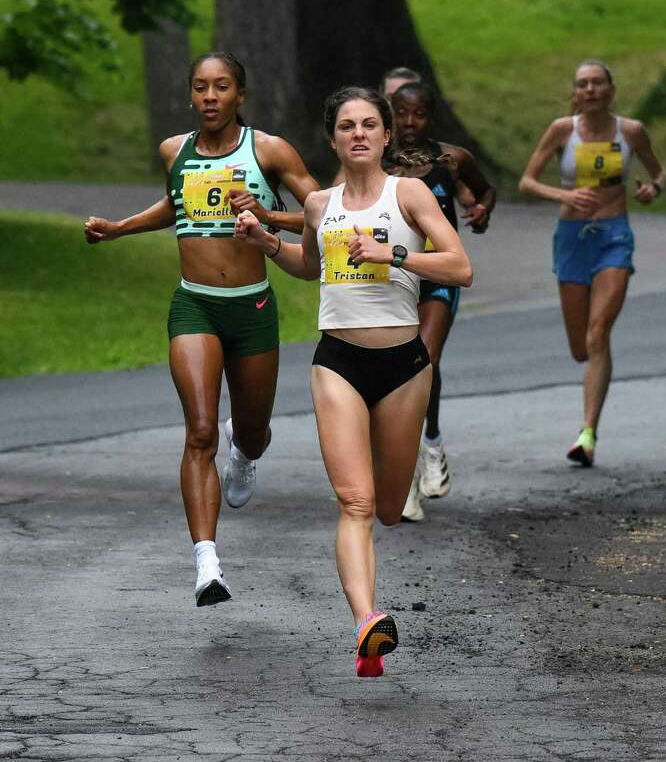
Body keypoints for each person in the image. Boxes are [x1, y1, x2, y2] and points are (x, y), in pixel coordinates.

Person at [234, 86, 471, 676]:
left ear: (387, 136)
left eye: (370, 124)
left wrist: (391, 256)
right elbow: (311, 266)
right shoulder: (321, 205)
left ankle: (370, 610)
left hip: (404, 365)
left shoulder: (408, 193)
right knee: (355, 501)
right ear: (333, 138)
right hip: (337, 359)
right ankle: (368, 620)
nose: (359, 134)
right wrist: (269, 244)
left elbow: (460, 266)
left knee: (389, 507)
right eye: (347, 126)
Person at [83, 52, 319, 606]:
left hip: (252, 307)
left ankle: (246, 448)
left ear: (240, 95)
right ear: (191, 95)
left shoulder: (270, 150)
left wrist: (266, 213)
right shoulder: (175, 151)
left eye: (222, 87)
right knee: (199, 429)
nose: (210, 97)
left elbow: (325, 209)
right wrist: (121, 228)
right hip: (195, 307)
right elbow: (175, 204)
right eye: (200, 88)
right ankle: (207, 563)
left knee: (252, 432)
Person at [518, 59, 666, 467]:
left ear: (611, 89)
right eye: (583, 84)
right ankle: (589, 408)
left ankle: (587, 434)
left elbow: (660, 173)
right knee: (580, 347)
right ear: (575, 92)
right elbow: (526, 181)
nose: (590, 90)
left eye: (597, 83)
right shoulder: (562, 130)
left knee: (598, 333)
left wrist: (652, 188)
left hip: (614, 237)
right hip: (571, 240)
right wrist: (563, 196)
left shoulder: (631, 131)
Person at [388, 82, 495, 516]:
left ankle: (428, 449)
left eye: (419, 115)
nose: (410, 124)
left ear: (431, 117)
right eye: (402, 114)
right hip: (392, 274)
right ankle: (405, 467)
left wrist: (482, 211)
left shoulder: (451, 160)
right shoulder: (379, 160)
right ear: (390, 113)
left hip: (437, 277)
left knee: (424, 362)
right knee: (397, 370)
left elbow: (486, 190)